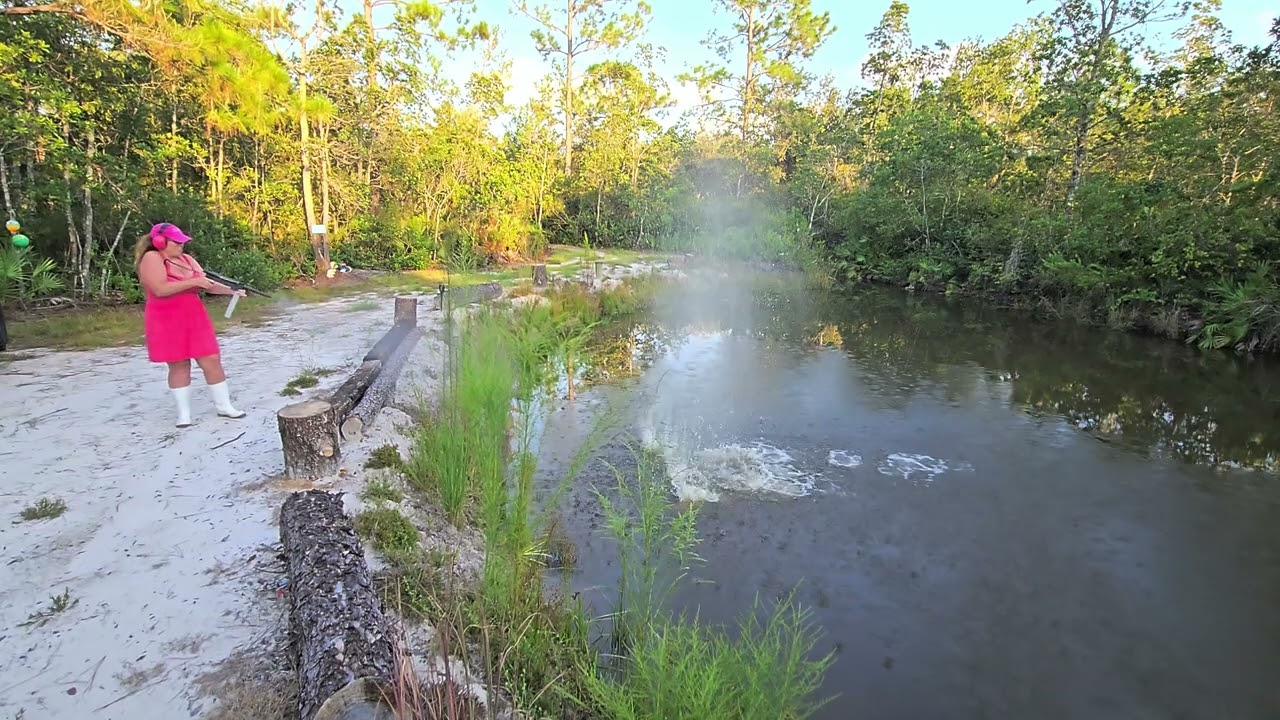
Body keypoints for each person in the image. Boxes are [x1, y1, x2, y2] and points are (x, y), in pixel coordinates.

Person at [134, 222, 247, 427]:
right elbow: (160, 289)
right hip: (166, 317)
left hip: (193, 315)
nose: (180, 245)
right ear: (160, 241)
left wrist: (231, 291)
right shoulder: (152, 258)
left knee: (211, 359)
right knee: (179, 364)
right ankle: (183, 414)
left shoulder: (186, 259)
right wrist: (194, 283)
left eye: (182, 241)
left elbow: (207, 284)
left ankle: (224, 406)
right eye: (176, 242)